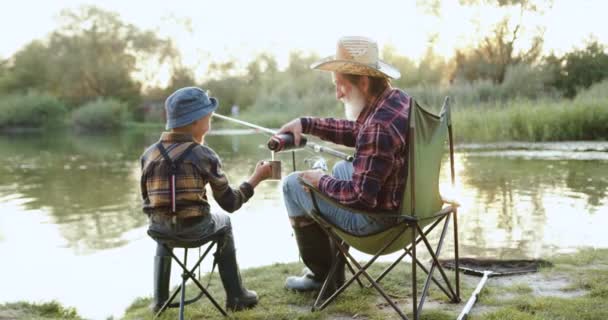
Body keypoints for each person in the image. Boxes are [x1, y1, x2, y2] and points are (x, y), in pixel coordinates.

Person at [277, 36, 411, 293]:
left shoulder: (377, 126)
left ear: (363, 82)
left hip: (377, 223)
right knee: (341, 170)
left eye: (340, 85)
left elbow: (360, 197)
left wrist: (319, 181)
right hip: (408, 208)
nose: (337, 93)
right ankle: (334, 272)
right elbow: (358, 132)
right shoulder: (396, 101)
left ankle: (321, 276)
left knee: (292, 185)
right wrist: (306, 124)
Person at [140, 87, 272, 312]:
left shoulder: (148, 154)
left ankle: (159, 301)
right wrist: (256, 178)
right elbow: (230, 203)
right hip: (196, 230)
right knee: (225, 222)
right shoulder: (204, 155)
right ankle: (237, 296)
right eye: (208, 117)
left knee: (163, 221)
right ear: (196, 121)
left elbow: (147, 199)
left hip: (159, 230)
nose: (209, 122)